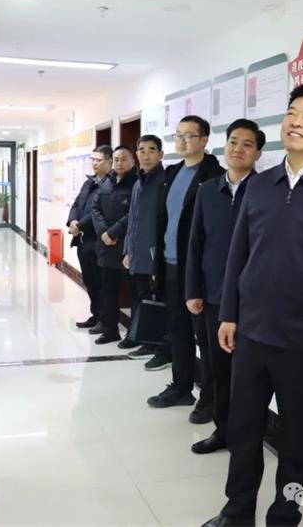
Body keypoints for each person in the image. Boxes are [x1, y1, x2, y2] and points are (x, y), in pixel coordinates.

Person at [203, 84, 303, 527]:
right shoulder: (259, 187)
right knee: (244, 429)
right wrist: (229, 314)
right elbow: (238, 255)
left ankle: (286, 511)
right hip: (251, 334)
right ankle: (237, 510)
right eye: (292, 112)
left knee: (295, 437)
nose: (296, 121)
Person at [185, 119, 264, 455]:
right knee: (217, 368)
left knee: (249, 374)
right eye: (233, 142)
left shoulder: (266, 191)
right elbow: (195, 243)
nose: (238, 149)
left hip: (254, 300)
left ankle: (247, 435)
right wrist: (192, 290)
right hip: (215, 296)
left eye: (247, 144)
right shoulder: (207, 190)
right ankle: (223, 431)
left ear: (258, 153)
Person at [147, 115, 224, 423]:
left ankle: (210, 399)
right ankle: (181, 387)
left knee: (205, 338)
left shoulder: (214, 175)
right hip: (169, 264)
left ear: (204, 140)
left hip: (198, 271)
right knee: (178, 330)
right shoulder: (173, 172)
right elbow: (164, 220)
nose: (181, 141)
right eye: (178, 135)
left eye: (189, 135)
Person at [122, 135, 171, 365]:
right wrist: (128, 250)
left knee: (159, 302)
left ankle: (163, 350)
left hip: (155, 256)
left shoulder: (165, 182)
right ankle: (149, 342)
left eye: (152, 150)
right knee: (144, 298)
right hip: (138, 253)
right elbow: (132, 219)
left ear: (161, 154)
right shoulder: (138, 183)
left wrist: (158, 258)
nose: (146, 155)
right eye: (141, 150)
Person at [90, 145, 137, 345]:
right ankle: (110, 330)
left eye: (124, 159)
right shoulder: (106, 182)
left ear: (132, 161)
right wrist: (104, 232)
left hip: (126, 248)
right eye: (116, 159)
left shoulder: (137, 183)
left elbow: (134, 213)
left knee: (135, 294)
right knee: (108, 292)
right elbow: (95, 208)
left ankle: (134, 334)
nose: (119, 163)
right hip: (106, 247)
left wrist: (113, 232)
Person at [67, 145, 112, 329]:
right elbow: (77, 204)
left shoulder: (110, 184)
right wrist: (72, 221)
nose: (94, 163)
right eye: (92, 159)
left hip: (98, 241)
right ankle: (96, 314)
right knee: (90, 281)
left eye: (98, 160)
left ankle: (105, 319)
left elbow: (98, 212)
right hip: (83, 240)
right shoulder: (89, 182)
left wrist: (79, 225)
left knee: (102, 283)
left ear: (109, 162)